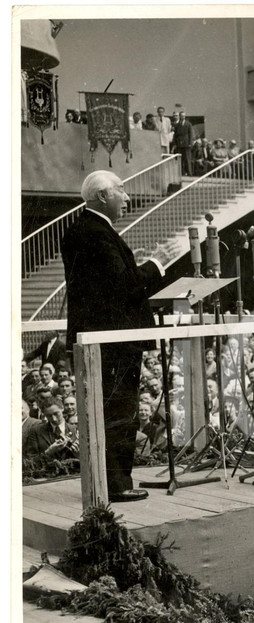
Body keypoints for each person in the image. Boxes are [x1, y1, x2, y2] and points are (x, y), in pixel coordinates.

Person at [61, 171, 168, 502]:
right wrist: (155, 265)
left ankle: (112, 481)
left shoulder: (88, 230)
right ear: (103, 196)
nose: (127, 198)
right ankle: (117, 485)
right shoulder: (95, 234)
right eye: (122, 191)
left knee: (113, 410)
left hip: (107, 341)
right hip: (113, 342)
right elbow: (122, 287)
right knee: (119, 411)